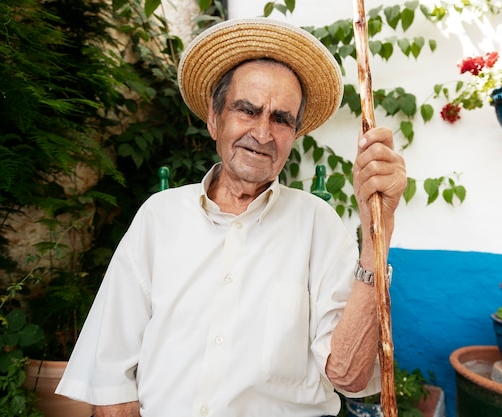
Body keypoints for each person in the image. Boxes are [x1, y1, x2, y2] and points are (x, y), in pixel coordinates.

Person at [55, 17, 406, 417]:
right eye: (247, 110)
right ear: (214, 118)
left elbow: (350, 378)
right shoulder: (160, 218)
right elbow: (110, 377)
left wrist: (378, 235)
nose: (262, 133)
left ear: (294, 135)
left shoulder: (318, 225)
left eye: (281, 119)